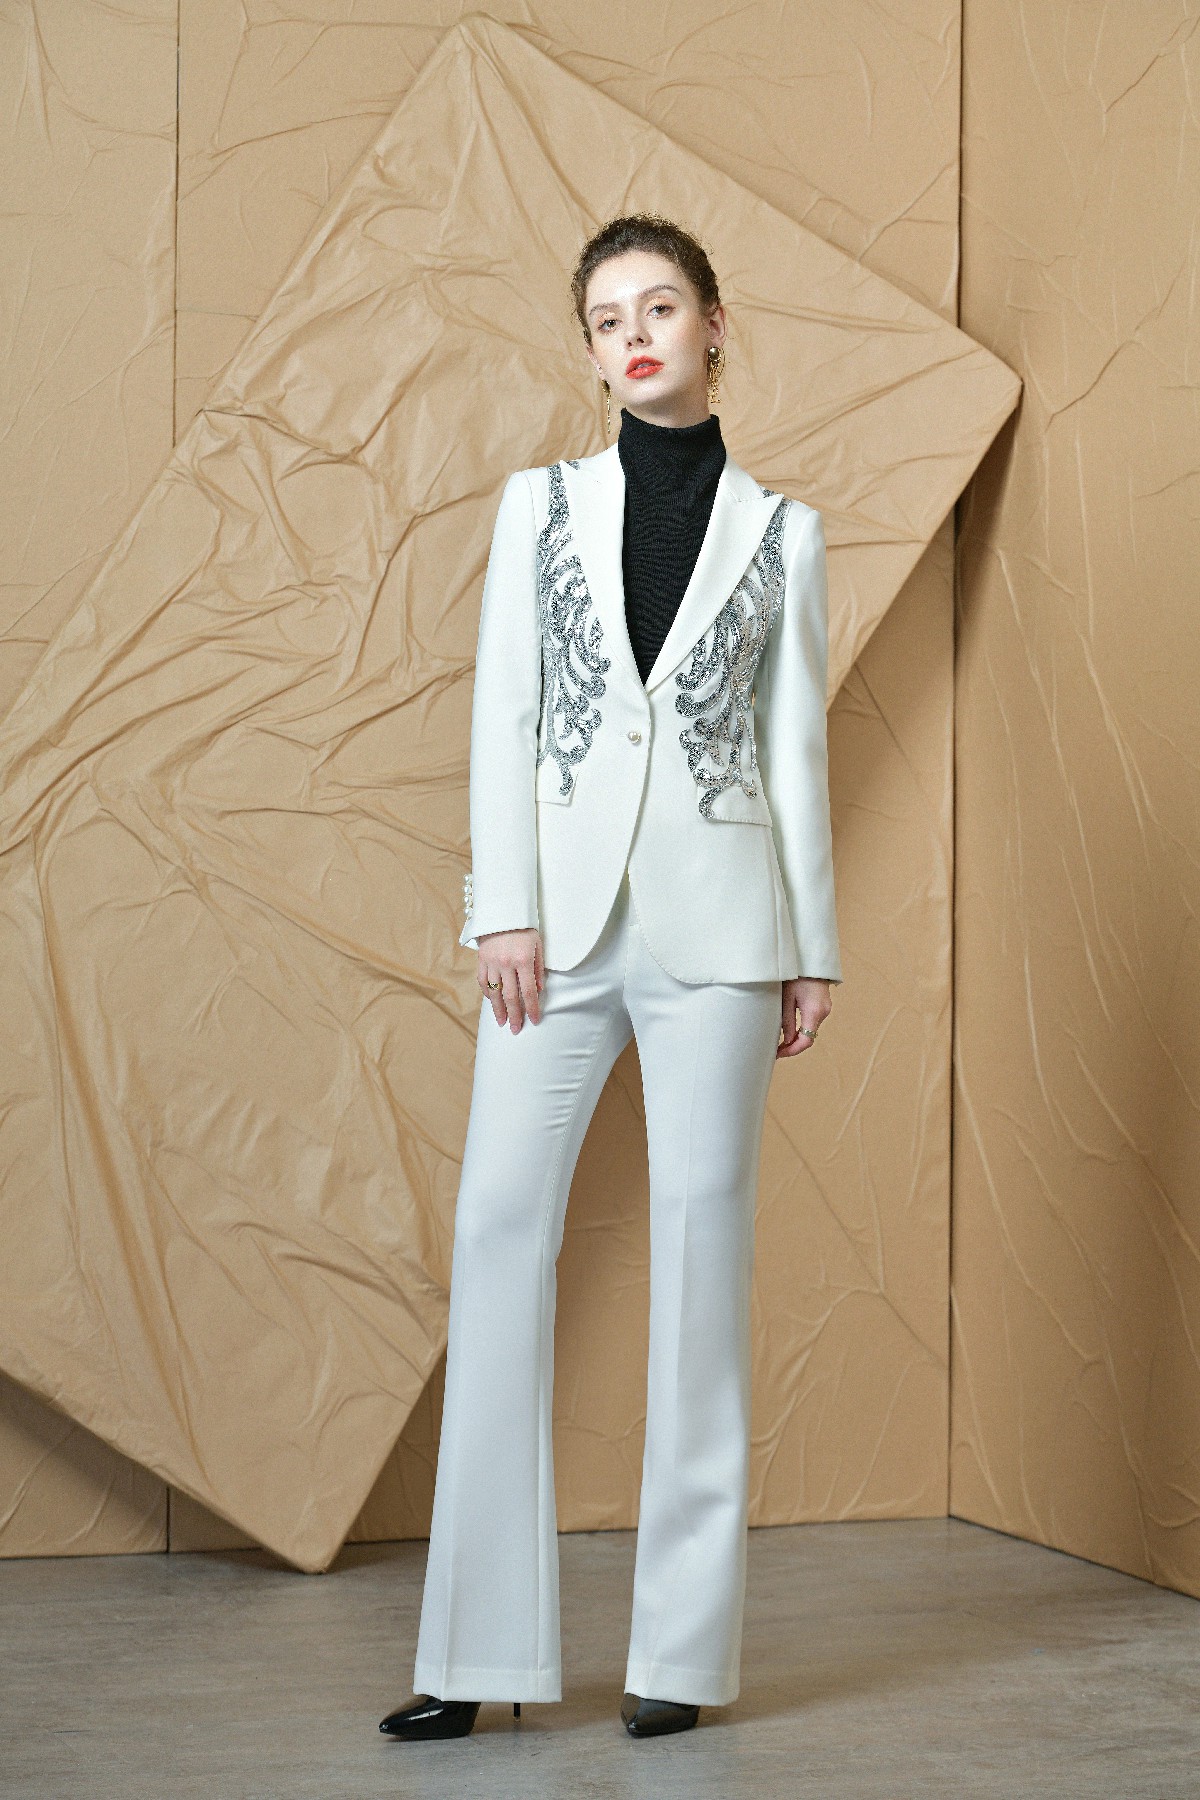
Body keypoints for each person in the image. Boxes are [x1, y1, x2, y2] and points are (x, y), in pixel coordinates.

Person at [380, 212, 842, 1744]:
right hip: (558, 933)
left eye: (659, 307)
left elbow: (793, 752)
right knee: (498, 1231)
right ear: (589, 351)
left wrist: (812, 949)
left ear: (716, 324)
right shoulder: (540, 508)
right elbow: (503, 713)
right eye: (606, 318)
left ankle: (680, 1658)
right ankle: (475, 1657)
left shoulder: (785, 532)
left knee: (705, 1259)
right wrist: (500, 911)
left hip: (725, 938)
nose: (634, 335)